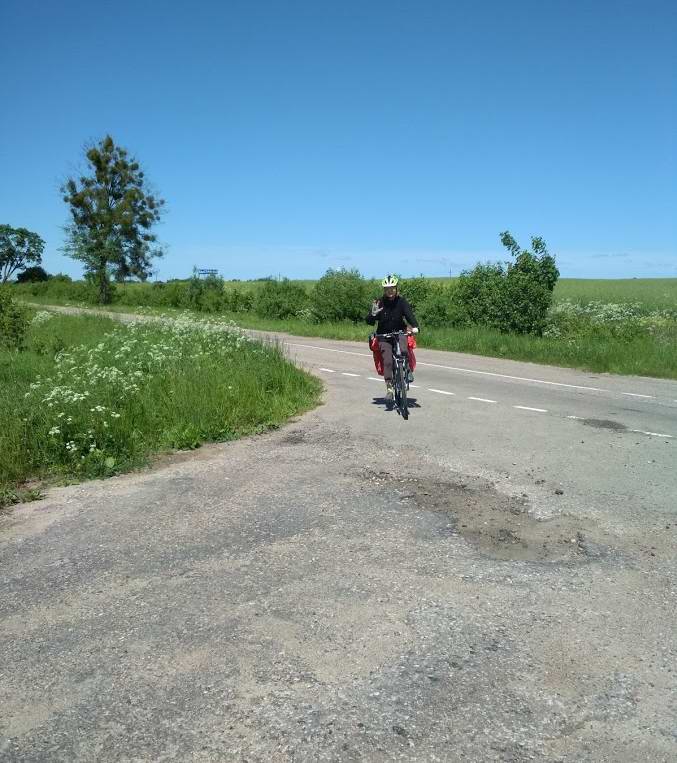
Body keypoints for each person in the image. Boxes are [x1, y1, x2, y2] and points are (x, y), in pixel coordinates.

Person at [366, 275, 419, 400]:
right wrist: (373, 314)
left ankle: (407, 370)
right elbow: (369, 321)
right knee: (388, 361)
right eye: (387, 289)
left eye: (392, 288)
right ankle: (389, 388)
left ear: (396, 288)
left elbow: (409, 315)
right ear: (384, 290)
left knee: (404, 350)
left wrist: (416, 326)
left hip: (400, 331)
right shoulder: (379, 302)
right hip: (383, 336)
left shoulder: (401, 301)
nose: (390, 291)